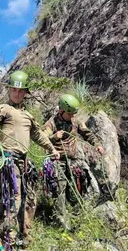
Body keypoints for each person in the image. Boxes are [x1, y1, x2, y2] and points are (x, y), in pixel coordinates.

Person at [0, 70, 60, 250]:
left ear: (25, 93)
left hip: (24, 163)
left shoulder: (28, 116)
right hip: (8, 162)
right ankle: (8, 242)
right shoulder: (3, 109)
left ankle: (24, 236)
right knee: (11, 200)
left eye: (21, 91)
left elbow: (38, 136)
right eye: (14, 89)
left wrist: (52, 149)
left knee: (29, 200)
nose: (17, 93)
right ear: (9, 90)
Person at [42, 94, 104, 230]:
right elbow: (42, 139)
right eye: (69, 113)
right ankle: (62, 225)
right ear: (61, 111)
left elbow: (87, 133)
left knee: (79, 189)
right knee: (60, 191)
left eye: (73, 113)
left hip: (73, 162)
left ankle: (76, 221)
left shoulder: (75, 122)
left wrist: (97, 144)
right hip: (57, 161)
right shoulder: (51, 123)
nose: (72, 116)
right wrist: (54, 137)